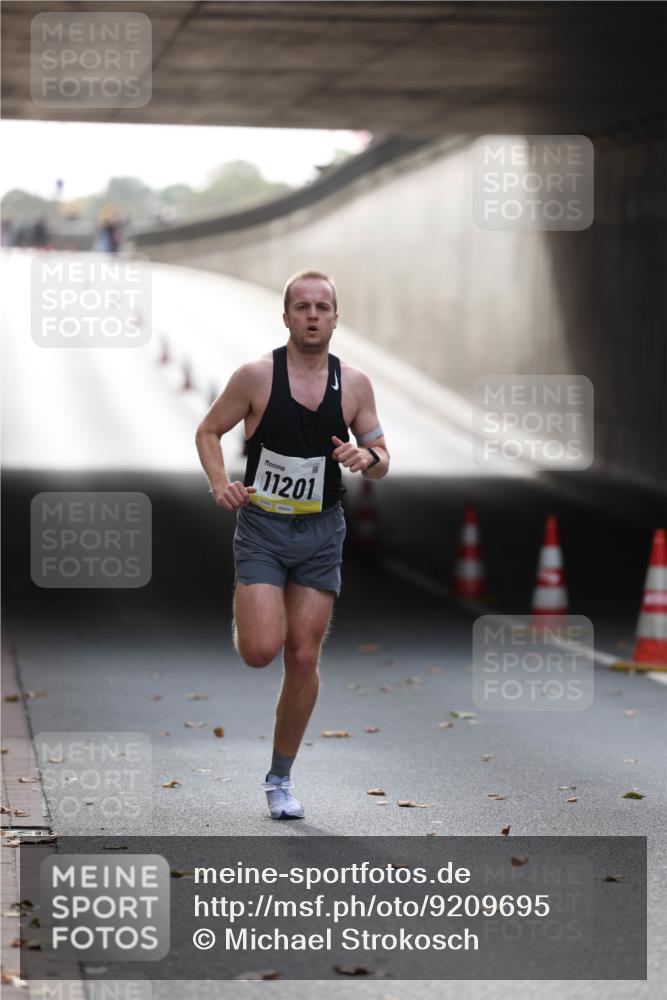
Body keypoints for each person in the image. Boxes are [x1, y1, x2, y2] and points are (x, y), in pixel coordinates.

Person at [195, 270, 389, 819]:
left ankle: (280, 778)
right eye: (301, 306)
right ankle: (254, 600)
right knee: (260, 651)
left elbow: (382, 457)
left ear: (335, 317)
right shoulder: (256, 376)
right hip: (262, 526)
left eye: (321, 306)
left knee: (303, 656)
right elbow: (208, 430)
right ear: (286, 318)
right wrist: (218, 484)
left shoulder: (354, 385)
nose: (311, 315)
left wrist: (365, 459)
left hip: (322, 530)